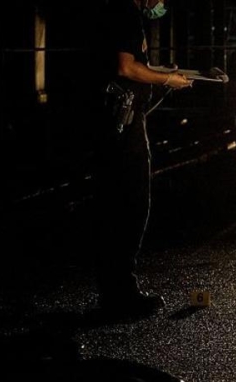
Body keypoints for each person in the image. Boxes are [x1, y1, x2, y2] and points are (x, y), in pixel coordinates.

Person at [93, 0, 192, 319]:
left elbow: (134, 66)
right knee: (132, 205)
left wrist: (165, 74)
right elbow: (126, 67)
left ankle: (116, 290)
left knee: (118, 206)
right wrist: (166, 81)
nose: (162, 2)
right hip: (124, 124)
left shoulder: (115, 13)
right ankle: (122, 294)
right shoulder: (125, 15)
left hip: (118, 123)